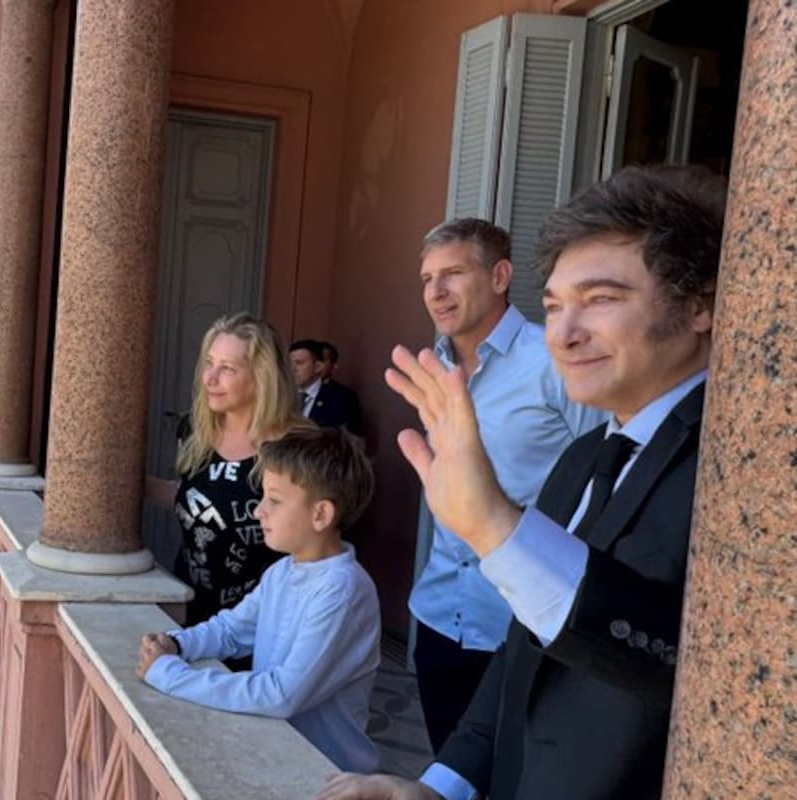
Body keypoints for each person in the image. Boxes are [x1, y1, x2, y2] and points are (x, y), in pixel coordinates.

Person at [319, 164, 725, 800]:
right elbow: (524, 657)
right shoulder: (589, 455)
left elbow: (702, 673)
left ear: (699, 304)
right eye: (557, 305)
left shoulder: (742, 467)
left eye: (601, 299)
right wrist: (438, 787)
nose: (563, 334)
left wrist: (495, 528)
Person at [408, 218, 606, 752]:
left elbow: (604, 483)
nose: (436, 292)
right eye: (427, 279)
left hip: (522, 629)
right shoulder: (436, 372)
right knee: (449, 775)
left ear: (499, 276)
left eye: (452, 274)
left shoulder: (554, 363)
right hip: (439, 619)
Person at [138, 427, 380, 772]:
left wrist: (169, 674)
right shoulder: (283, 571)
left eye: (275, 500)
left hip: (323, 774)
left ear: (321, 515)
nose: (259, 511)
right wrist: (177, 644)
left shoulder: (342, 591)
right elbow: (232, 630)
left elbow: (282, 694)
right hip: (276, 755)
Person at [168, 313, 310, 627]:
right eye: (209, 362)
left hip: (263, 623)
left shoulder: (297, 444)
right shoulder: (193, 430)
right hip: (190, 610)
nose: (210, 378)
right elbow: (190, 499)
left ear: (262, 377)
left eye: (227, 368)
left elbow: (314, 543)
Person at [290, 339, 362, 434]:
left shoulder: (342, 398)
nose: (292, 369)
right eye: (289, 363)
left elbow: (351, 441)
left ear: (318, 367)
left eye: (299, 363)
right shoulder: (281, 395)